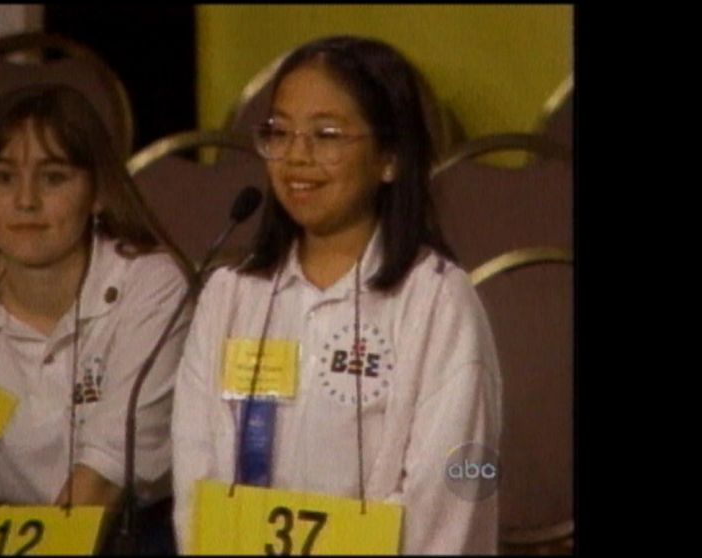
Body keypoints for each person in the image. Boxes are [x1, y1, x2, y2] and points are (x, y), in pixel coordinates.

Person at [171, 36, 502, 554]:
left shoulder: (437, 300)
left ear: (389, 158)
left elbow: (451, 491)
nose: (296, 157)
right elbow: (197, 475)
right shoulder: (230, 295)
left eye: (326, 135)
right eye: (280, 133)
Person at [0, 84, 190, 543]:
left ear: (96, 193)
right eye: (3, 177)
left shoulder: (151, 284)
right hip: (0, 535)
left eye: (53, 178)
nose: (26, 200)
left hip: (126, 534)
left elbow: (104, 478)